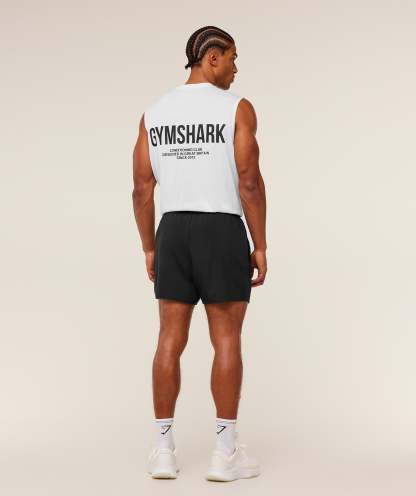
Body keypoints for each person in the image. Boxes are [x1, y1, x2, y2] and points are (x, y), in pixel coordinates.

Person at [132, 25, 267, 482]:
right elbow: (249, 181)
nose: (235, 68)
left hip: (173, 231)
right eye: (232, 57)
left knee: (169, 339)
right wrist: (260, 243)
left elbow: (142, 188)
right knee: (226, 340)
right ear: (211, 58)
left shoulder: (154, 113)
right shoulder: (236, 109)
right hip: (221, 229)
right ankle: (224, 454)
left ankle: (163, 451)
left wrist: (150, 246)